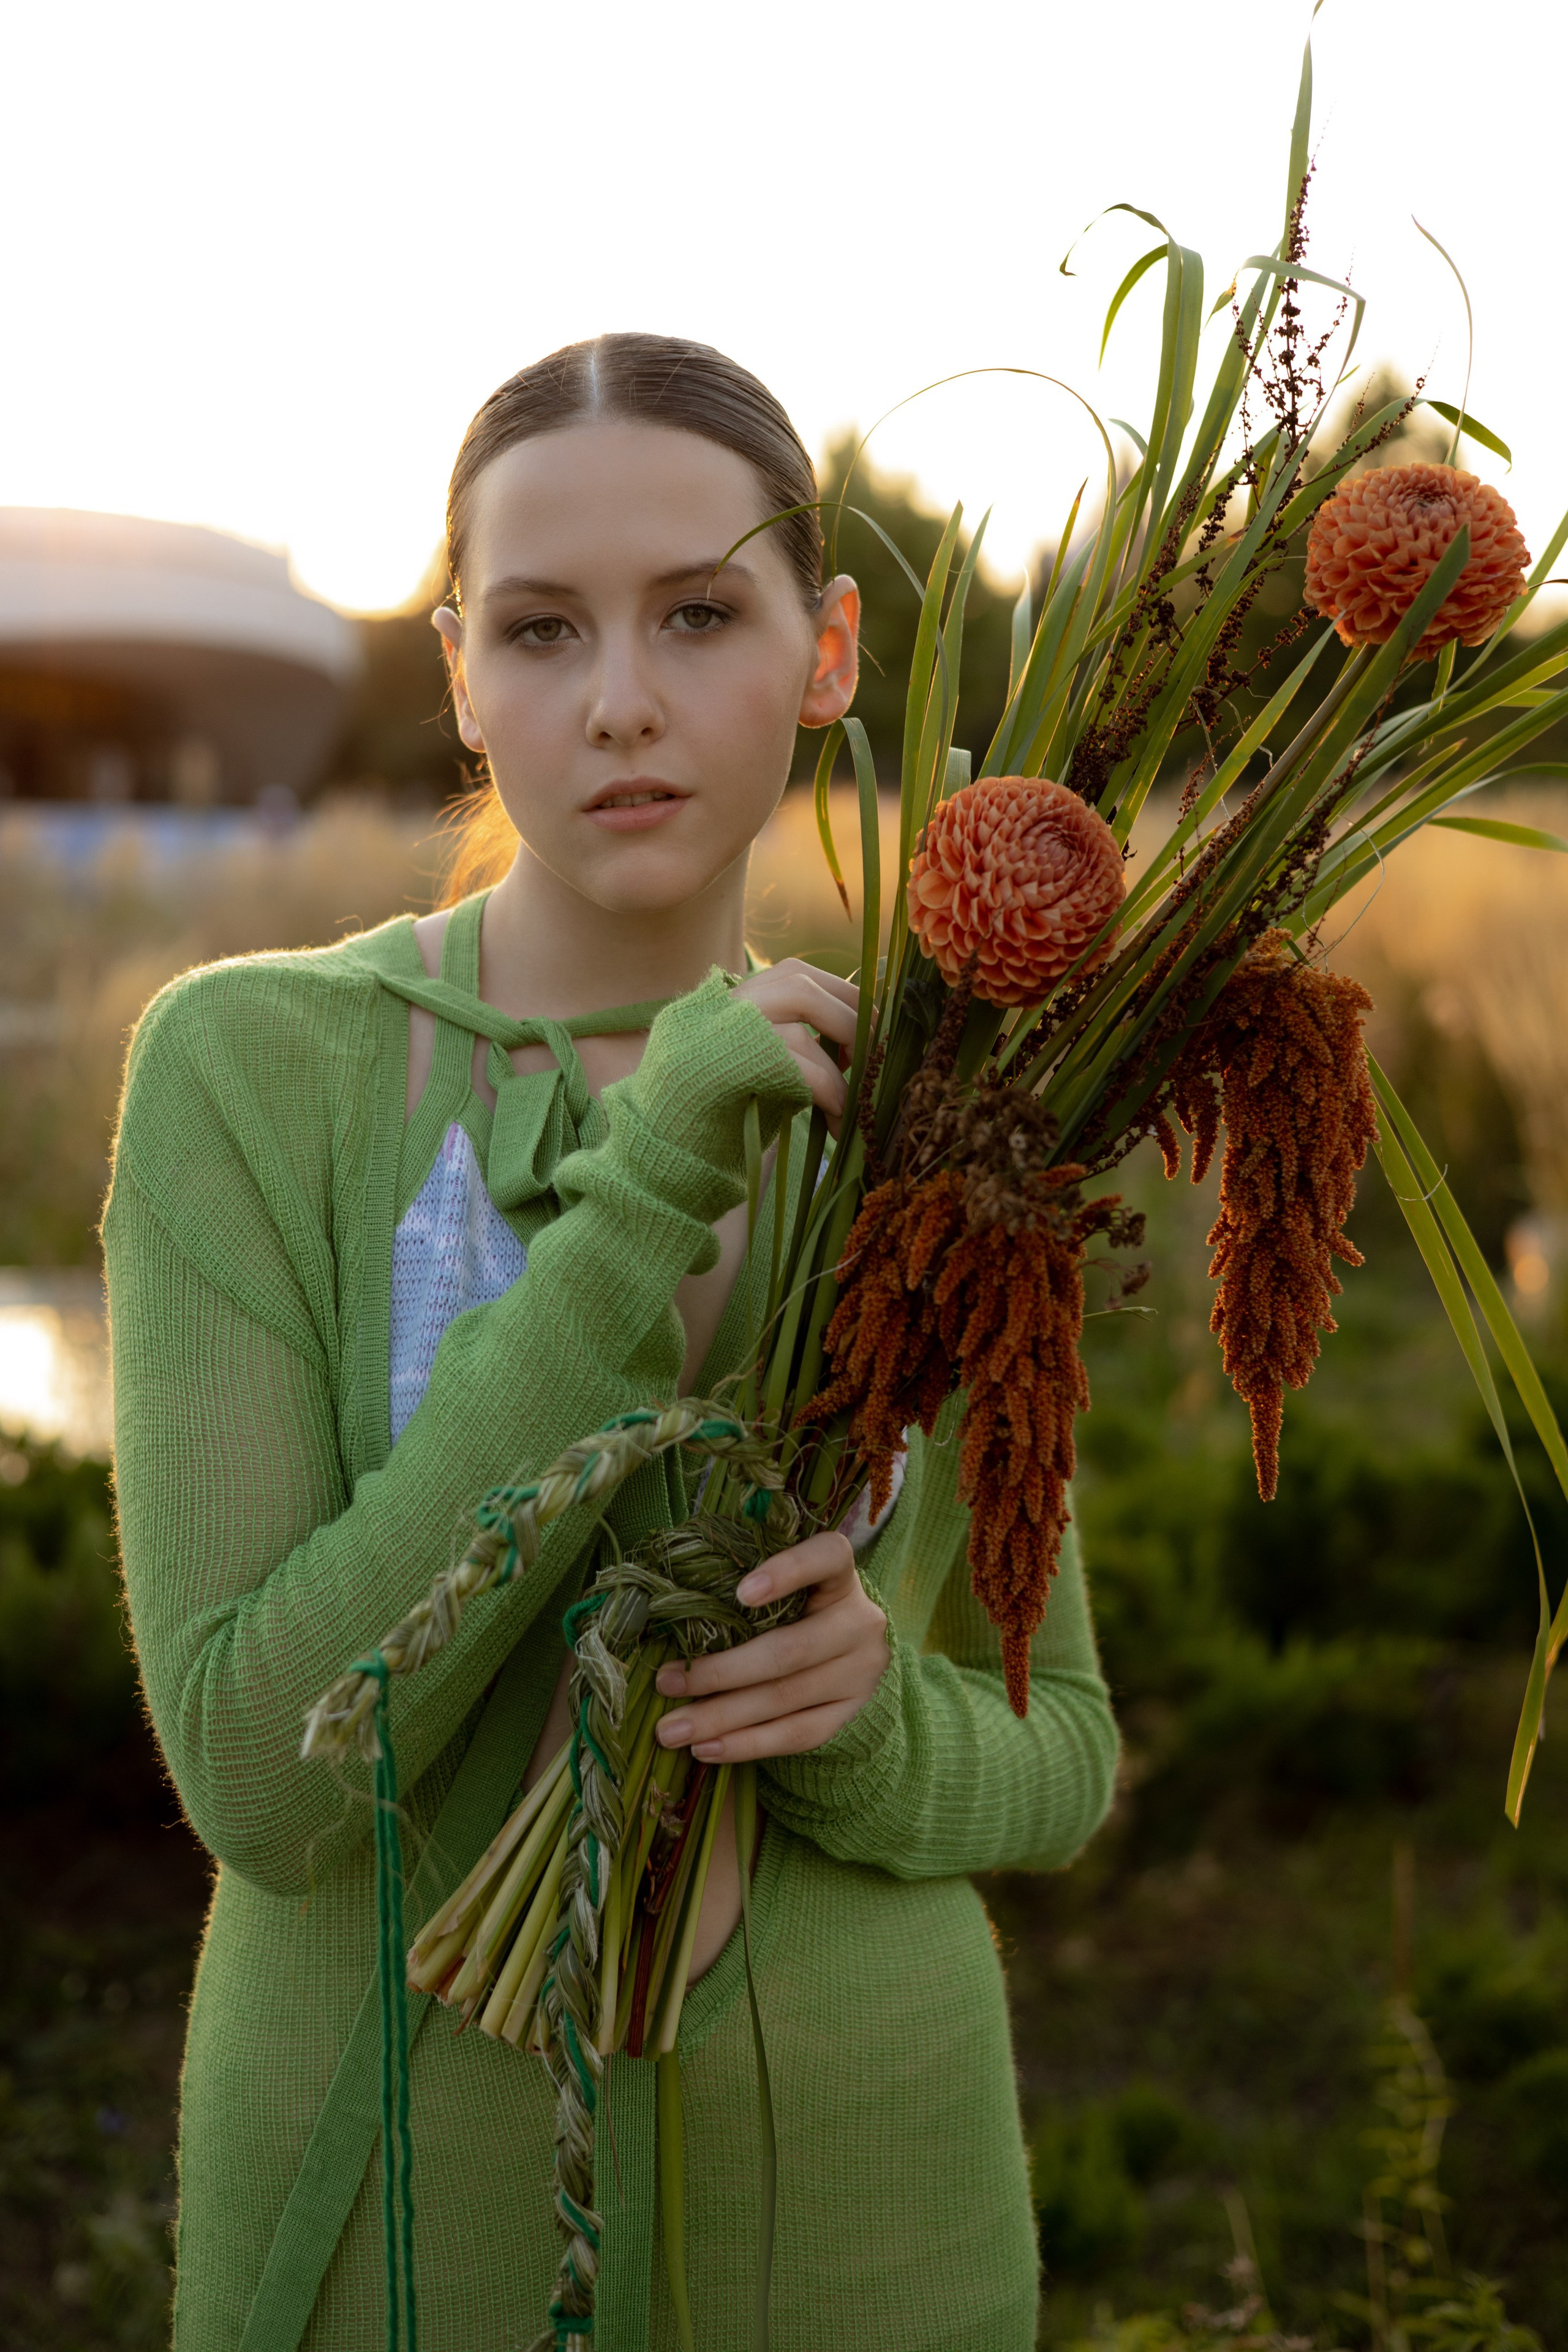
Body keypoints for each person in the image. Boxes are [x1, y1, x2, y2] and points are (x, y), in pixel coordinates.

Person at [105, 332, 1119, 2352]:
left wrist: (869, 1724)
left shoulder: (950, 1122)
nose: (624, 701)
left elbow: (1062, 1754)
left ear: (827, 650)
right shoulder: (252, 1070)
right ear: (463, 675)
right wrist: (644, 1183)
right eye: (544, 631)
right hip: (405, 2224)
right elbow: (258, 1775)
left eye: (701, 615)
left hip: (874, 2221)